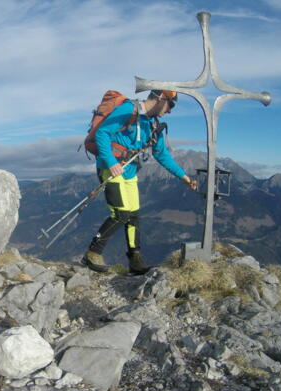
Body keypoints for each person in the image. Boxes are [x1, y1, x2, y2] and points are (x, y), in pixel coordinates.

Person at [81, 89, 198, 275]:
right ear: (160, 98)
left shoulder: (153, 125)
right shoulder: (128, 110)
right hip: (110, 169)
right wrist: (111, 162)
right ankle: (92, 253)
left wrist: (184, 177)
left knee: (133, 215)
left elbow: (162, 154)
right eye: (171, 105)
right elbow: (102, 133)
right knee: (121, 214)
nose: (170, 110)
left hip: (129, 172)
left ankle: (135, 260)